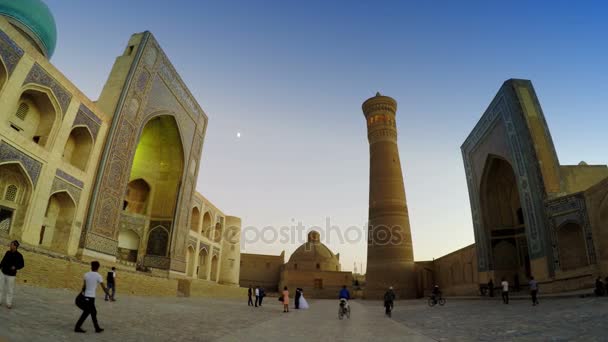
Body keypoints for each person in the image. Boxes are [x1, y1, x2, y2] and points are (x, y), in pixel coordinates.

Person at [75, 261, 111, 333]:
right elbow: (104, 288)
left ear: (91, 266)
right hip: (91, 297)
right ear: (98, 267)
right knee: (88, 312)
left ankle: (96, 328)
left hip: (86, 296)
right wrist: (109, 295)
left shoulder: (86, 274)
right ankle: (77, 327)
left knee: (93, 312)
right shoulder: (98, 276)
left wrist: (83, 294)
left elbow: (84, 287)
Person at [0, 240, 25, 309]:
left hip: (11, 275)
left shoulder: (19, 256)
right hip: (3, 272)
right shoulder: (7, 252)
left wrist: (16, 267)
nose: (10, 246)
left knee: (9, 290)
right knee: (0, 288)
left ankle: (9, 303)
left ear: (15, 246)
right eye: (10, 244)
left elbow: (22, 265)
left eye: (11, 245)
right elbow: (3, 261)